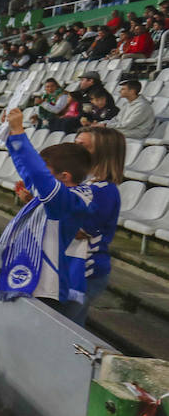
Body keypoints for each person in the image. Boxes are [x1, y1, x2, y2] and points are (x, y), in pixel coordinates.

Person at [0, 109, 94, 325]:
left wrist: (20, 131)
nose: (41, 176)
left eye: (47, 170)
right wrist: (13, 136)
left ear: (64, 176)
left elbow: (38, 175)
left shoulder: (71, 200)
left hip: (46, 288)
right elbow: (27, 170)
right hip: (32, 278)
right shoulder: (52, 195)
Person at [74, 126, 125, 314]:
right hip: (72, 266)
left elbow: (80, 231)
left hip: (85, 270)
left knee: (68, 329)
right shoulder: (84, 183)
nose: (75, 149)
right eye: (75, 143)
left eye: (83, 146)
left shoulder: (103, 190)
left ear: (103, 153)